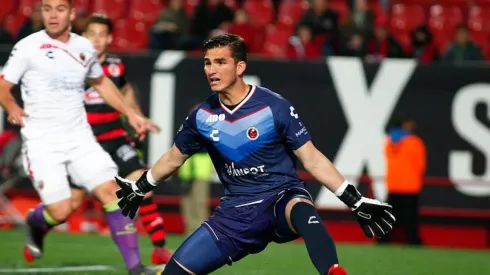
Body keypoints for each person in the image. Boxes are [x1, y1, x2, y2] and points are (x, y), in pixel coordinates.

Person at [115, 34, 396, 275]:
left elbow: (312, 158)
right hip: (235, 214)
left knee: (300, 206)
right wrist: (140, 187)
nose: (211, 70)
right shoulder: (202, 116)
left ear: (240, 67)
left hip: (279, 198)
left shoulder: (274, 106)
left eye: (220, 62)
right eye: (207, 62)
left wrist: (355, 200)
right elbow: (173, 158)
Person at [0, 1, 159, 274]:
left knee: (114, 193)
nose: (52, 14)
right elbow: (3, 86)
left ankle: (136, 268)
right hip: (42, 142)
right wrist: (12, 107)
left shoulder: (83, 47)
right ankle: (36, 222)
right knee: (61, 211)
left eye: (60, 8)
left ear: (72, 14)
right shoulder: (27, 47)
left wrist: (131, 114)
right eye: (47, 8)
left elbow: (101, 82)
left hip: (80, 138)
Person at [67, 13, 172, 265]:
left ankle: (159, 248)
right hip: (86, 145)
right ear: (82, 37)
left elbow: (125, 89)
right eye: (92, 34)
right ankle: (37, 226)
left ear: (110, 39)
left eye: (102, 35)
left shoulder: (115, 64)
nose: (97, 39)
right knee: (69, 205)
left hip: (116, 138)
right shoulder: (71, 67)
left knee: (143, 184)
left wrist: (136, 115)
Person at [380, 116, 425, 246]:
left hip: (393, 185)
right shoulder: (415, 142)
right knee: (410, 219)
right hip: (410, 187)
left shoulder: (389, 142)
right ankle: (413, 241)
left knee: (389, 217)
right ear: (405, 124)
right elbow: (420, 165)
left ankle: (382, 240)